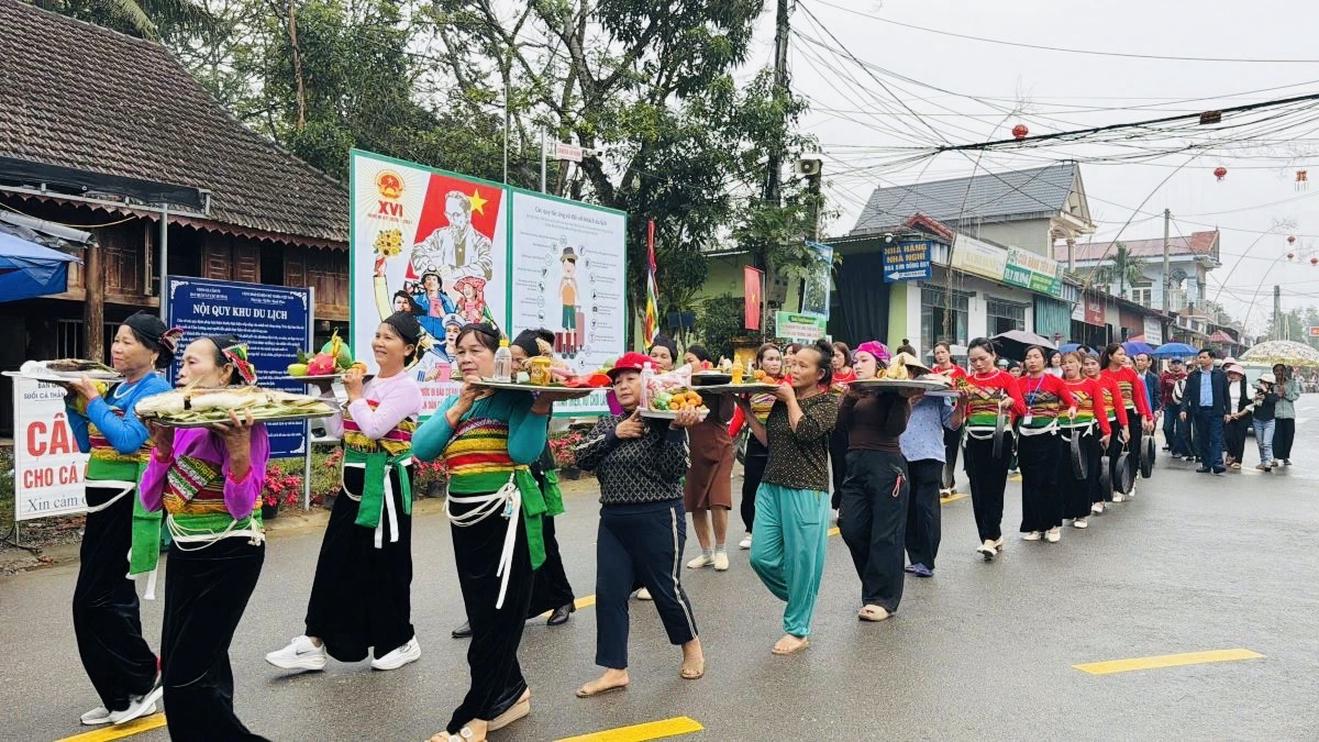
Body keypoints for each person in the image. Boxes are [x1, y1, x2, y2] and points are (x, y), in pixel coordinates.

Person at [413, 323, 565, 742]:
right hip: (466, 524)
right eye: (460, 351)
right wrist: (461, 404)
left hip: (507, 521)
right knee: (484, 619)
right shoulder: (456, 400)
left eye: (475, 350)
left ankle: (475, 716)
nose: (465, 358)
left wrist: (541, 404)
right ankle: (512, 693)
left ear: (496, 356)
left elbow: (523, 451)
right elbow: (422, 448)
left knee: (498, 621)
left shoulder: (514, 398)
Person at [266, 312, 424, 674]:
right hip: (354, 483)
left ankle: (399, 639)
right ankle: (314, 640)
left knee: (387, 566)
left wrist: (353, 395)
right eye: (378, 334)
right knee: (335, 560)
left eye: (389, 337)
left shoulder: (405, 389)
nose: (379, 342)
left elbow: (373, 428)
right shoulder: (367, 385)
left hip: (386, 485)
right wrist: (326, 391)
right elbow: (340, 429)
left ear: (408, 348)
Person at [141, 335, 268, 740]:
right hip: (185, 553)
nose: (181, 371)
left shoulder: (247, 425)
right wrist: (162, 449)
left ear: (225, 372)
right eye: (182, 363)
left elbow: (241, 506)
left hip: (232, 555)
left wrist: (238, 450)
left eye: (193, 362)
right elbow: (149, 499)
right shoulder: (178, 423)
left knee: (185, 680)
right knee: (199, 669)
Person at [63, 311, 176, 727]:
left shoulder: (155, 390)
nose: (117, 347)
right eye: (117, 339)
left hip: (128, 504)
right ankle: (120, 691)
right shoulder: (116, 387)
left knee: (93, 601)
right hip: (103, 505)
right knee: (115, 599)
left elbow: (128, 441)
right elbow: (85, 443)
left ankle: (142, 677)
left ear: (153, 351)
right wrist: (73, 403)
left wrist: (92, 400)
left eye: (128, 341)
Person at [572, 352, 705, 698]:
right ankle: (615, 669)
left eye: (631, 378)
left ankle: (691, 647)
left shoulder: (665, 419)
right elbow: (581, 457)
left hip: (658, 516)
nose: (623, 385)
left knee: (665, 589)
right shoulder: (609, 422)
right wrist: (616, 434)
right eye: (618, 381)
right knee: (609, 592)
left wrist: (675, 430)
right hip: (614, 521)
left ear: (648, 382)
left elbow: (675, 471)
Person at [733, 339, 838, 655]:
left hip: (806, 488)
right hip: (771, 484)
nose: (794, 368)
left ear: (820, 374)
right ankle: (801, 595)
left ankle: (797, 629)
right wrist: (744, 408)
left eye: (802, 365)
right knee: (760, 557)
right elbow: (768, 439)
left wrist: (791, 398)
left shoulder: (827, 403)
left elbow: (804, 432)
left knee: (802, 562)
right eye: (793, 363)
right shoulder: (780, 400)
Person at [837, 343, 919, 621]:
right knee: (850, 527)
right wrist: (850, 398)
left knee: (886, 534)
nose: (857, 365)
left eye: (864, 360)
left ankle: (882, 598)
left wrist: (899, 398)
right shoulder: (854, 391)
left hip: (887, 466)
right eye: (855, 360)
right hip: (855, 465)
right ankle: (874, 585)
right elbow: (840, 426)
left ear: (880, 364)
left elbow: (895, 428)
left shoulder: (894, 391)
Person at [961, 338, 1026, 560]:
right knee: (977, 489)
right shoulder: (966, 381)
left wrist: (1010, 402)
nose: (978, 364)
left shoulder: (1007, 378)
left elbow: (1022, 408)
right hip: (973, 437)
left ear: (993, 356)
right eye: (973, 360)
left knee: (994, 488)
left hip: (999, 437)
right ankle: (991, 536)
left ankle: (990, 538)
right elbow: (961, 412)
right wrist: (962, 401)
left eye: (982, 358)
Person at [680, 345, 737, 572]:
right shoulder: (680, 385)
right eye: (684, 361)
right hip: (692, 446)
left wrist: (724, 391)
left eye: (690, 360)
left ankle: (721, 549)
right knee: (695, 502)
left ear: (705, 363)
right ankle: (706, 552)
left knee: (718, 499)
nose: (686, 364)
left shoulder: (716, 380)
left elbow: (727, 415)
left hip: (719, 445)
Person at [1015, 346, 1077, 543]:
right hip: (1026, 436)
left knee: (1051, 480)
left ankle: (1053, 525)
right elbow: (1015, 409)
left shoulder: (1055, 381)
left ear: (1044, 360)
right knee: (1030, 481)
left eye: (1036, 357)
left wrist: (1072, 409)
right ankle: (1034, 526)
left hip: (1050, 436)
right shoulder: (1019, 383)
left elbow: (1071, 402)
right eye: (1028, 357)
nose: (1032, 361)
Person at [900, 379, 962, 577]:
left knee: (925, 506)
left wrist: (962, 403)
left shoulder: (936, 394)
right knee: (907, 506)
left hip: (929, 454)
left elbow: (952, 423)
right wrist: (908, 402)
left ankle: (927, 560)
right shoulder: (898, 391)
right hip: (901, 454)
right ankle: (915, 557)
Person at [736, 343, 784, 550]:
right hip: (756, 443)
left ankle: (779, 530)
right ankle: (750, 530)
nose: (774, 363)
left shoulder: (787, 385)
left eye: (777, 359)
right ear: (760, 362)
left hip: (782, 444)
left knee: (779, 491)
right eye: (769, 359)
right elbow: (741, 413)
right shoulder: (750, 386)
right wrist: (730, 437)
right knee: (751, 489)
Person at [1058, 352, 1111, 530]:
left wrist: (1106, 432)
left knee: (1084, 472)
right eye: (1064, 363)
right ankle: (1068, 509)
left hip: (1087, 433)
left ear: (1079, 364)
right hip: (1062, 432)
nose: (1067, 366)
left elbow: (1100, 410)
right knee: (1065, 472)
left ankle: (1082, 512)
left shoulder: (1092, 384)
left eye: (1071, 362)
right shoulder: (1058, 384)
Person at [1100, 344, 1154, 500]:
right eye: (1119, 354)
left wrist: (1145, 416)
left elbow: (1138, 396)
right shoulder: (1102, 374)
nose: (1123, 357)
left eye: (1124, 354)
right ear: (1110, 356)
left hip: (1130, 415)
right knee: (1113, 450)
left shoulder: (1130, 373)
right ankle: (1113, 485)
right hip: (1111, 415)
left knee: (1131, 449)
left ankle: (1129, 482)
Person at [410, 190, 495, 283]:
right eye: (448, 215)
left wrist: (456, 272)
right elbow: (417, 250)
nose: (452, 220)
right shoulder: (440, 235)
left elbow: (486, 266)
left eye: (456, 215)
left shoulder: (481, 241)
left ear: (467, 215)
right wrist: (431, 267)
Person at [1083, 353, 1127, 514]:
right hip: (1089, 426)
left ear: (1099, 364)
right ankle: (1093, 498)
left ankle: (1104, 495)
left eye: (1093, 364)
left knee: (1107, 461)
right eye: (1086, 364)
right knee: (1090, 464)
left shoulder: (1110, 382)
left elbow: (1119, 406)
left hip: (1110, 425)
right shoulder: (1080, 382)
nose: (1089, 367)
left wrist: (1125, 427)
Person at [1180, 348, 1229, 475]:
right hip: (1200, 411)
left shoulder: (1220, 375)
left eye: (1204, 357)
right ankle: (1206, 464)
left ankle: (1217, 463)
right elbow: (1186, 394)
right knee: (1203, 438)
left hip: (1216, 411)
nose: (1201, 360)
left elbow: (1226, 394)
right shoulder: (1193, 375)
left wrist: (1227, 411)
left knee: (1216, 437)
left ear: (1212, 359)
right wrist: (1183, 409)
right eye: (1199, 357)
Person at [931, 341, 967, 496]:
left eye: (942, 352)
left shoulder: (959, 371)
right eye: (937, 353)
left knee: (952, 448)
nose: (940, 356)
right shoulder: (932, 373)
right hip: (938, 414)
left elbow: (964, 391)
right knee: (940, 447)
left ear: (949, 353)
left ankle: (950, 479)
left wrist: (963, 413)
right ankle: (944, 482)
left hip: (954, 413)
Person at [828, 342, 856, 514]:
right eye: (831, 356)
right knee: (838, 465)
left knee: (852, 465)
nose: (834, 359)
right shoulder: (827, 377)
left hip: (853, 426)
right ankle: (839, 502)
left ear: (846, 356)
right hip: (835, 427)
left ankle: (852, 500)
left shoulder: (855, 375)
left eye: (838, 355)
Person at [1222, 363, 1252, 469]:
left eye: (1235, 373)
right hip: (1229, 415)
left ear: (1241, 375)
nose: (1233, 375)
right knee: (1228, 437)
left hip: (1242, 416)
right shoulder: (1227, 385)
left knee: (1240, 438)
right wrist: (1228, 413)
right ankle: (1231, 454)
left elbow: (1251, 404)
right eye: (1231, 373)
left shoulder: (1247, 386)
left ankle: (1238, 460)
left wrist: (1239, 414)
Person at [1159, 358, 1189, 457]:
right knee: (1167, 427)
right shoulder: (1166, 377)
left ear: (1182, 365)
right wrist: (1161, 405)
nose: (1176, 365)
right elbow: (1161, 392)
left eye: (1178, 363)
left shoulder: (1186, 377)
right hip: (1169, 405)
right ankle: (1171, 444)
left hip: (1181, 406)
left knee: (1180, 429)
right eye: (1174, 363)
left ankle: (1177, 449)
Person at [1272, 364, 1300, 465]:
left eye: (1281, 370)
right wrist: (1277, 395)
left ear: (1285, 372)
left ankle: (1285, 457)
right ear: (1274, 372)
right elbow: (1269, 397)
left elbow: (1296, 396)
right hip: (1276, 414)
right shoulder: (1271, 384)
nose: (1279, 372)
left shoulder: (1292, 383)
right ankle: (1275, 457)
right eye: (1277, 370)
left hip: (1289, 414)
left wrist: (1286, 392)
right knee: (1276, 437)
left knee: (1288, 437)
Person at [1251, 373, 1280, 471]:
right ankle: (1263, 461)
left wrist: (1266, 391)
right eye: (1261, 382)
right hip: (1257, 419)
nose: (1262, 384)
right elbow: (1250, 402)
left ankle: (1268, 462)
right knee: (1260, 443)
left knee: (1267, 443)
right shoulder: (1257, 392)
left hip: (1269, 421)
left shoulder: (1274, 394)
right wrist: (1255, 398)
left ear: (1270, 384)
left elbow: (1272, 400)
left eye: (1265, 382)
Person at [1135, 353, 1161, 430]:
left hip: (1150, 411)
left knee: (1148, 434)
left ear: (1149, 363)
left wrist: (1156, 410)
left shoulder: (1154, 378)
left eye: (1142, 360)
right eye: (1138, 360)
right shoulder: (1133, 376)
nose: (1139, 362)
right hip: (1136, 411)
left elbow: (1157, 395)